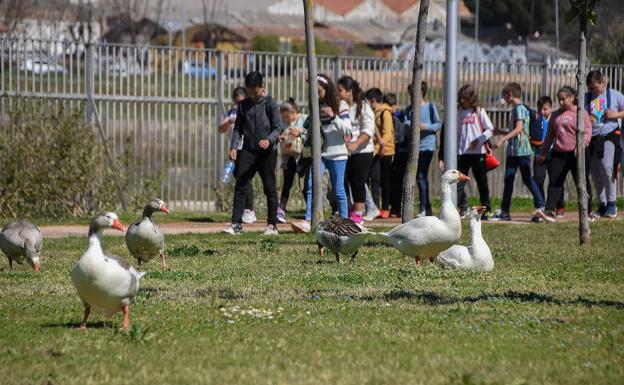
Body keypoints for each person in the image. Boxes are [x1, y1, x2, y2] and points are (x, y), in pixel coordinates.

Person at [222, 71, 282, 235]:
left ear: (262, 87)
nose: (252, 95)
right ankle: (236, 224)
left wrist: (269, 140)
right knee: (241, 184)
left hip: (267, 152)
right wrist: (234, 147)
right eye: (249, 92)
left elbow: (278, 128)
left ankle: (272, 226)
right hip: (248, 150)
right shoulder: (243, 105)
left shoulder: (271, 104)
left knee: (269, 187)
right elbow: (238, 129)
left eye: (254, 92)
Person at [292, 74, 352, 233]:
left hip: (338, 155)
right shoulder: (316, 106)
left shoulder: (341, 104)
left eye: (318, 90)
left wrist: (333, 116)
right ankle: (310, 219)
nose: (315, 94)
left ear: (326, 88)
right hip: (321, 154)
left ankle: (345, 222)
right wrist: (301, 132)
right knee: (312, 185)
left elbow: (347, 129)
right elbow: (314, 131)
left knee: (338, 189)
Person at [491, 82, 550, 222]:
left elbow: (519, 129)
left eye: (504, 95)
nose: (503, 98)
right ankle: (505, 211)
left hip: (521, 151)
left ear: (510, 95)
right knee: (509, 179)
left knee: (527, 179)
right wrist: (501, 132)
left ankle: (541, 205)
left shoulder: (520, 109)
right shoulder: (516, 109)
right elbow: (519, 131)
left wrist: (502, 139)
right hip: (513, 151)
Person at [537, 86, 593, 221]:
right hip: (559, 153)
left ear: (572, 98)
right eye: (559, 100)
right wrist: (543, 153)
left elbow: (588, 130)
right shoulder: (555, 115)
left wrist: (582, 145)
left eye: (563, 99)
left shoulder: (581, 113)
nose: (560, 102)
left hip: (578, 154)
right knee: (555, 182)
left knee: (582, 182)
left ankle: (588, 211)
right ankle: (550, 211)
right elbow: (550, 135)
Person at [391, 82, 441, 218]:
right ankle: (427, 207)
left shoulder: (430, 107)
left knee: (420, 176)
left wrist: (424, 126)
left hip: (427, 147)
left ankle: (423, 208)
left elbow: (437, 124)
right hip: (413, 148)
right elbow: (406, 123)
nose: (411, 96)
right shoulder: (408, 109)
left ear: (421, 92)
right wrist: (410, 125)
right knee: (419, 177)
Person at [584, 70, 624, 219]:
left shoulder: (614, 95)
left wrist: (615, 115)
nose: (593, 91)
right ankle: (603, 204)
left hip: (609, 134)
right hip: (591, 138)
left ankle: (612, 203)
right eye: (590, 88)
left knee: (607, 166)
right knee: (595, 172)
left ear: (603, 83)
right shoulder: (586, 97)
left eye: (595, 88)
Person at [337, 76, 375, 224]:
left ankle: (358, 214)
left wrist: (355, 144)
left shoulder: (364, 107)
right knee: (343, 181)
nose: (338, 93)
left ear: (349, 92)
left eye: (340, 90)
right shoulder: (340, 107)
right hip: (344, 152)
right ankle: (346, 211)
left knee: (358, 181)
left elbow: (368, 130)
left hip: (362, 152)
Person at [218, 87, 256, 224]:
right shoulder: (232, 113)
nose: (238, 104)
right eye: (236, 102)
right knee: (240, 178)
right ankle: (245, 210)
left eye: (241, 101)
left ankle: (249, 210)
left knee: (244, 178)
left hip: (246, 149)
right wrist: (228, 122)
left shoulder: (251, 110)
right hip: (234, 149)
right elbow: (221, 129)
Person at [456, 84, 492, 219]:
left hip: (478, 153)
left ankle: (486, 210)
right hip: (463, 154)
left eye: (464, 98)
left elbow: (490, 129)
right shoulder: (459, 112)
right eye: (460, 98)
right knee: (459, 183)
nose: (462, 101)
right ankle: (457, 208)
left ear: (471, 98)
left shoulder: (479, 111)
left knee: (482, 182)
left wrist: (479, 140)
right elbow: (457, 133)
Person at [533, 96, 566, 218]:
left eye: (545, 109)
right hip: (539, 154)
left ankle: (560, 205)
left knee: (555, 180)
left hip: (554, 154)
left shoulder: (556, 119)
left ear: (551, 108)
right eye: (540, 109)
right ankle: (541, 205)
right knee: (538, 178)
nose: (542, 112)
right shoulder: (535, 120)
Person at [365, 88, 395, 218]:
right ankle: (375, 207)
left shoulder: (385, 113)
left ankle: (385, 208)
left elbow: (388, 133)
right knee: (375, 180)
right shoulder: (373, 113)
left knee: (385, 180)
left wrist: (381, 144)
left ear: (373, 100)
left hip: (386, 152)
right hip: (377, 151)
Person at [277, 98, 308, 223]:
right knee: (287, 184)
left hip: (302, 158)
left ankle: (312, 209)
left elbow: (312, 133)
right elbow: (283, 134)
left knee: (304, 185)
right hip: (289, 158)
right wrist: (282, 138)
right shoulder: (285, 123)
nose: (286, 120)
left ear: (294, 111)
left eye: (287, 117)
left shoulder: (305, 119)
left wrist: (300, 132)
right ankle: (281, 210)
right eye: (283, 118)